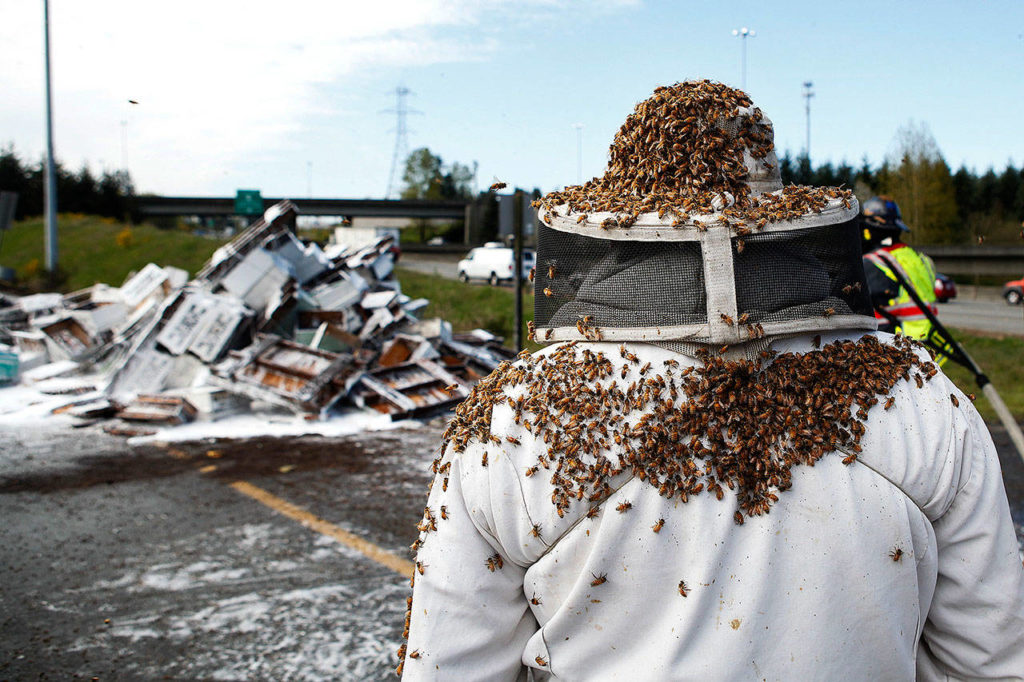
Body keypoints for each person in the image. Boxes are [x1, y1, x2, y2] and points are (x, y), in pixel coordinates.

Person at [398, 81, 1024, 680]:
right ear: (777, 208)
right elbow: (992, 660)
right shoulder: (922, 399)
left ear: (619, 209)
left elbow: (449, 666)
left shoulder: (512, 416)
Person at [860, 196, 940, 339]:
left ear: (870, 229)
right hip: (928, 342)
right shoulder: (921, 258)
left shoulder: (872, 262)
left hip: (896, 345)